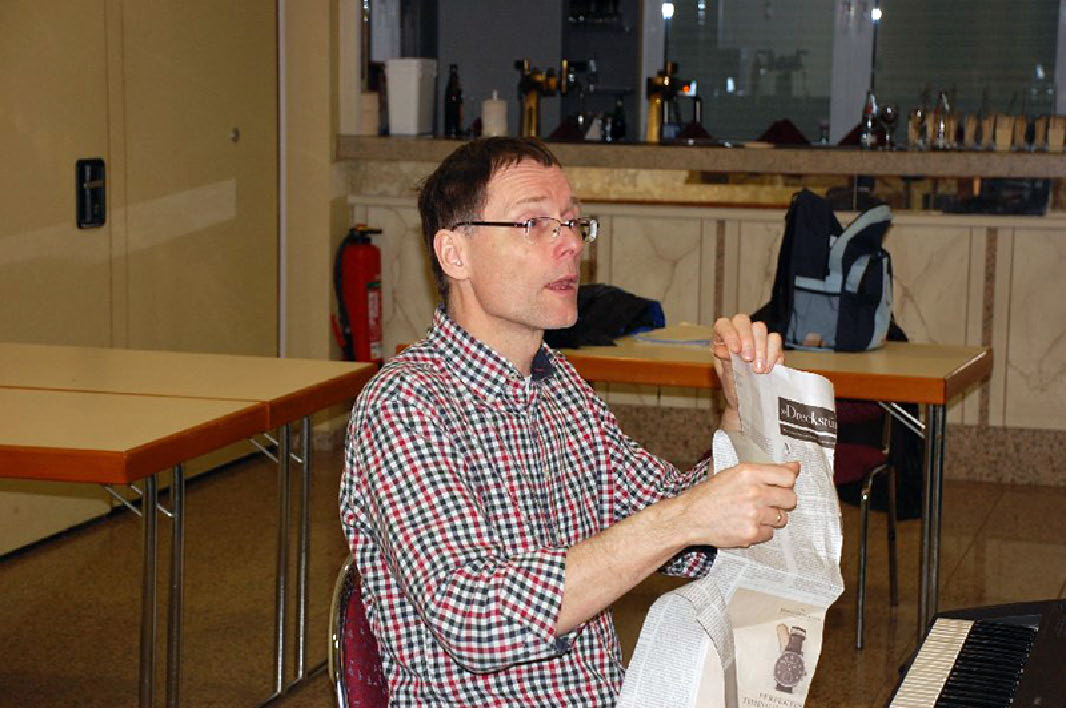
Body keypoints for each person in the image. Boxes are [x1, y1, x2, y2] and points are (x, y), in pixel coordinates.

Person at [339, 137, 798, 706]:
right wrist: (683, 519)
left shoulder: (561, 389)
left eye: (574, 223)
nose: (572, 244)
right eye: (534, 224)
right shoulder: (405, 404)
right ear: (455, 254)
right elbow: (476, 619)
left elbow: (691, 537)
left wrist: (739, 409)